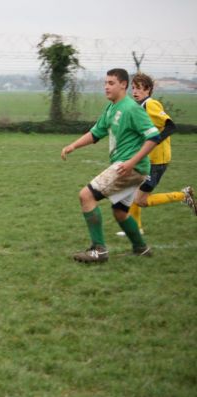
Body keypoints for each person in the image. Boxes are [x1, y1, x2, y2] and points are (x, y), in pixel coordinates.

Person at [61, 68, 161, 263]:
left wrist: (131, 162)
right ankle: (141, 248)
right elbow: (96, 133)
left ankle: (98, 250)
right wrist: (73, 145)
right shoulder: (111, 108)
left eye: (111, 83)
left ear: (123, 84)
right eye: (105, 83)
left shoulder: (131, 108)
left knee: (86, 195)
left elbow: (153, 137)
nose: (106, 87)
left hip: (129, 167)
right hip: (133, 169)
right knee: (120, 212)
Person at [114, 72, 196, 237]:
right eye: (133, 88)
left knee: (141, 200)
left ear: (148, 90)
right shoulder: (138, 106)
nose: (134, 91)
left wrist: (155, 141)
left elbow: (171, 126)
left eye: (139, 88)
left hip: (158, 161)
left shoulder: (151, 104)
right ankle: (137, 229)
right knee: (133, 190)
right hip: (147, 159)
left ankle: (183, 195)